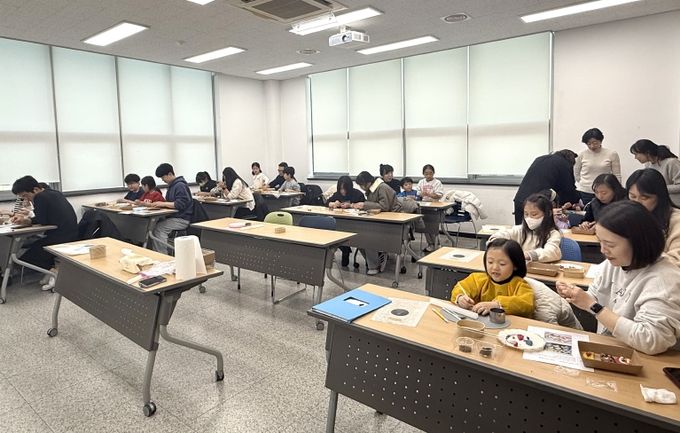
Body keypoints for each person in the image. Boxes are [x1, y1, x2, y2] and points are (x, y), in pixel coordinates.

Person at [557, 201, 680, 355]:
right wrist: (576, 295)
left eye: (610, 244)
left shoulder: (664, 280)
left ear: (638, 242)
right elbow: (596, 296)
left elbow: (651, 340)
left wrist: (593, 306)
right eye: (600, 242)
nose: (603, 250)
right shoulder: (614, 263)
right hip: (613, 350)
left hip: (648, 361)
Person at [10, 176, 78, 291]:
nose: (26, 199)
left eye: (25, 196)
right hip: (71, 233)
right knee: (36, 244)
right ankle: (52, 271)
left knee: (26, 257)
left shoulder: (40, 197)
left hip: (60, 237)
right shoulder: (55, 193)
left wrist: (26, 221)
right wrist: (29, 219)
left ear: (35, 189)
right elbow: (45, 218)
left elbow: (42, 220)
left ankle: (53, 272)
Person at [451, 238, 534, 317]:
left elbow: (527, 304)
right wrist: (460, 298)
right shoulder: (477, 279)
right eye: (490, 262)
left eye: (502, 264)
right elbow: (460, 287)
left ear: (515, 265)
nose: (495, 268)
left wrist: (497, 305)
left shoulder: (519, 284)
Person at [626, 169, 680, 266]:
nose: (637, 203)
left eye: (644, 198)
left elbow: (676, 261)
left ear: (659, 197)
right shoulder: (628, 217)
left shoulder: (676, 220)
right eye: (632, 197)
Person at [513, 150, 580, 225]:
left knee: (520, 229)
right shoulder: (564, 164)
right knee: (538, 229)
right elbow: (568, 188)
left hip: (520, 199)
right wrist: (575, 201)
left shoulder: (540, 159)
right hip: (536, 203)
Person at [489, 193, 562, 262]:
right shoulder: (521, 230)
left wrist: (529, 255)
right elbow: (502, 234)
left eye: (534, 214)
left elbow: (552, 252)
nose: (529, 218)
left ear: (548, 213)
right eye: (526, 214)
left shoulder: (553, 234)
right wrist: (495, 242)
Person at [354, 171, 402, 275]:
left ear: (368, 182)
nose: (361, 187)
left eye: (362, 185)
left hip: (392, 222)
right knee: (358, 237)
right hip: (379, 219)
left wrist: (365, 205)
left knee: (367, 236)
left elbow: (384, 206)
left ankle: (374, 265)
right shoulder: (372, 189)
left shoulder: (382, 187)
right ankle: (374, 261)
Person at [149, 163, 194, 254]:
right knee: (151, 226)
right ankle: (155, 252)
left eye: (163, 177)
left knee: (159, 228)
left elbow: (180, 204)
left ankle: (162, 255)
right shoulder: (172, 186)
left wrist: (162, 204)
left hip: (182, 218)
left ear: (170, 174)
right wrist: (161, 205)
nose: (162, 180)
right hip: (174, 216)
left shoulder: (180, 185)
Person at [573, 128, 621, 205]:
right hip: (586, 191)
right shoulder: (582, 154)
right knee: (587, 210)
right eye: (588, 144)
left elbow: (617, 175)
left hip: (605, 191)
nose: (592, 146)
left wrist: (617, 190)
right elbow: (576, 172)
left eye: (595, 143)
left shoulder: (611, 154)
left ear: (601, 141)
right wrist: (583, 182)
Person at [327, 176, 366, 266]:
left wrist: (351, 205)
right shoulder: (337, 194)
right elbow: (327, 203)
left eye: (345, 189)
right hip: (340, 222)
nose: (343, 191)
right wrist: (333, 204)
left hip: (356, 223)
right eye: (341, 189)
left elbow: (365, 206)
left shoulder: (357, 194)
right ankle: (345, 250)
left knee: (360, 239)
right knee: (336, 236)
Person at [630, 139, 680, 205]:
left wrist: (659, 188)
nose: (635, 157)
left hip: (674, 204)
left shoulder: (671, 163)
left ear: (647, 153)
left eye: (636, 154)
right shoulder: (648, 165)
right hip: (658, 203)